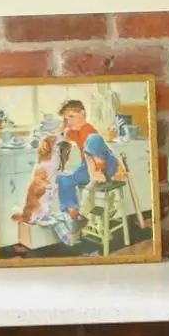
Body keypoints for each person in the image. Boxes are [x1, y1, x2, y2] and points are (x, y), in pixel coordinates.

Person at [56, 99, 119, 240]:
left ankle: (96, 176)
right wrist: (65, 124)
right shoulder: (73, 132)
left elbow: (93, 150)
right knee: (63, 180)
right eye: (66, 118)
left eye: (71, 116)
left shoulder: (89, 130)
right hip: (87, 167)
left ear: (82, 113)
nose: (69, 121)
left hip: (105, 165)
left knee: (93, 139)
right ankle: (76, 217)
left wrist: (94, 170)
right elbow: (59, 136)